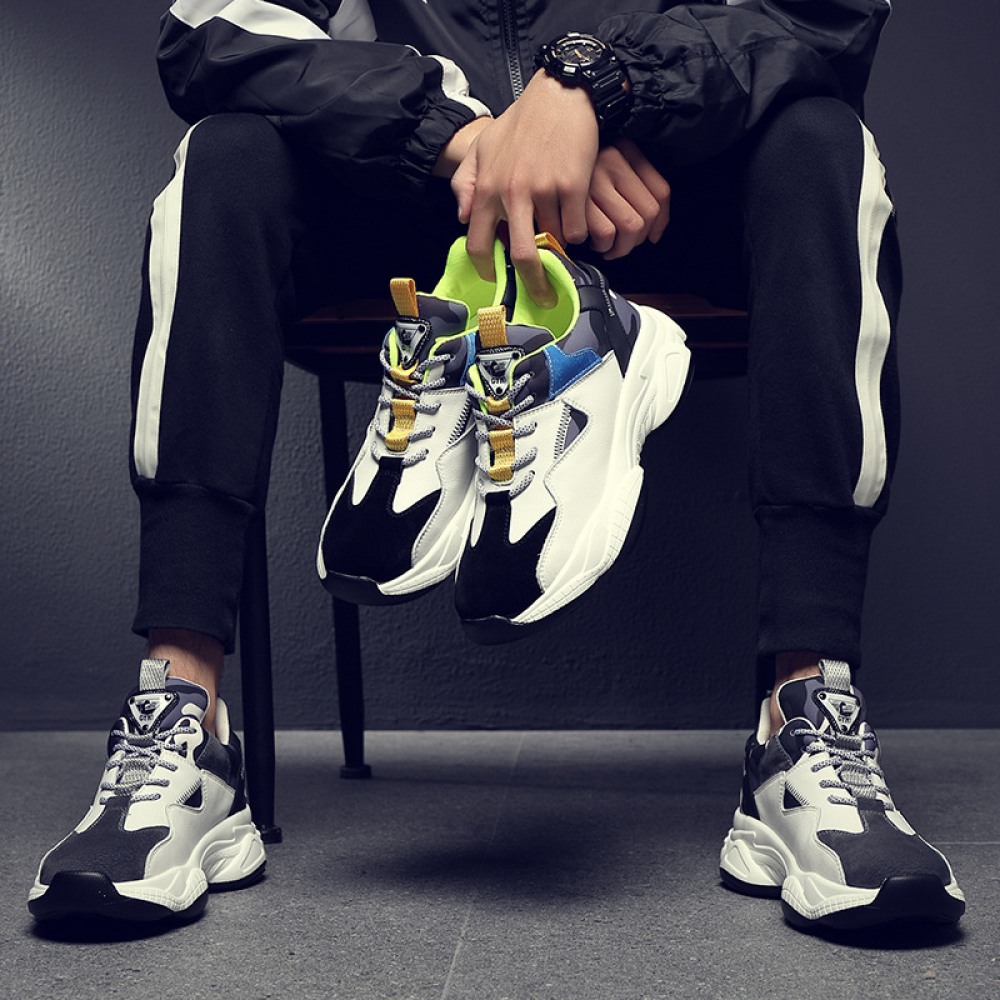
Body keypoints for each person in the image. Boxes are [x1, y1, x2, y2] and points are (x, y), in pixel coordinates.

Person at [28, 0, 965, 930]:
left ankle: (805, 722)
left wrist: (596, 87)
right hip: (422, 200)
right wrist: (467, 134)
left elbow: (823, 16)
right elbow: (215, 26)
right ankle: (181, 721)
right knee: (221, 157)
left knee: (826, 144)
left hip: (660, 187)